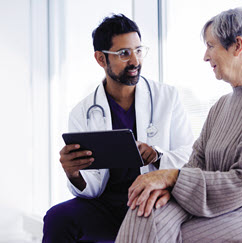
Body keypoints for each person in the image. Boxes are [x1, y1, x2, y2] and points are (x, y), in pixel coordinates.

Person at [116, 7, 242, 243]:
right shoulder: (221, 106)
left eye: (211, 45)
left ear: (238, 45)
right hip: (224, 207)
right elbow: (197, 163)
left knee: (167, 231)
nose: (205, 57)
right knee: (145, 212)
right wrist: (165, 187)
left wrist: (172, 178)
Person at [42, 14, 194, 242]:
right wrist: (73, 174)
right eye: (124, 53)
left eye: (138, 50)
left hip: (151, 200)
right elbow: (91, 187)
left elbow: (189, 156)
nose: (135, 60)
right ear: (101, 59)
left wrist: (157, 154)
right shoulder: (82, 112)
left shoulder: (167, 98)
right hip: (105, 205)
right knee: (57, 218)